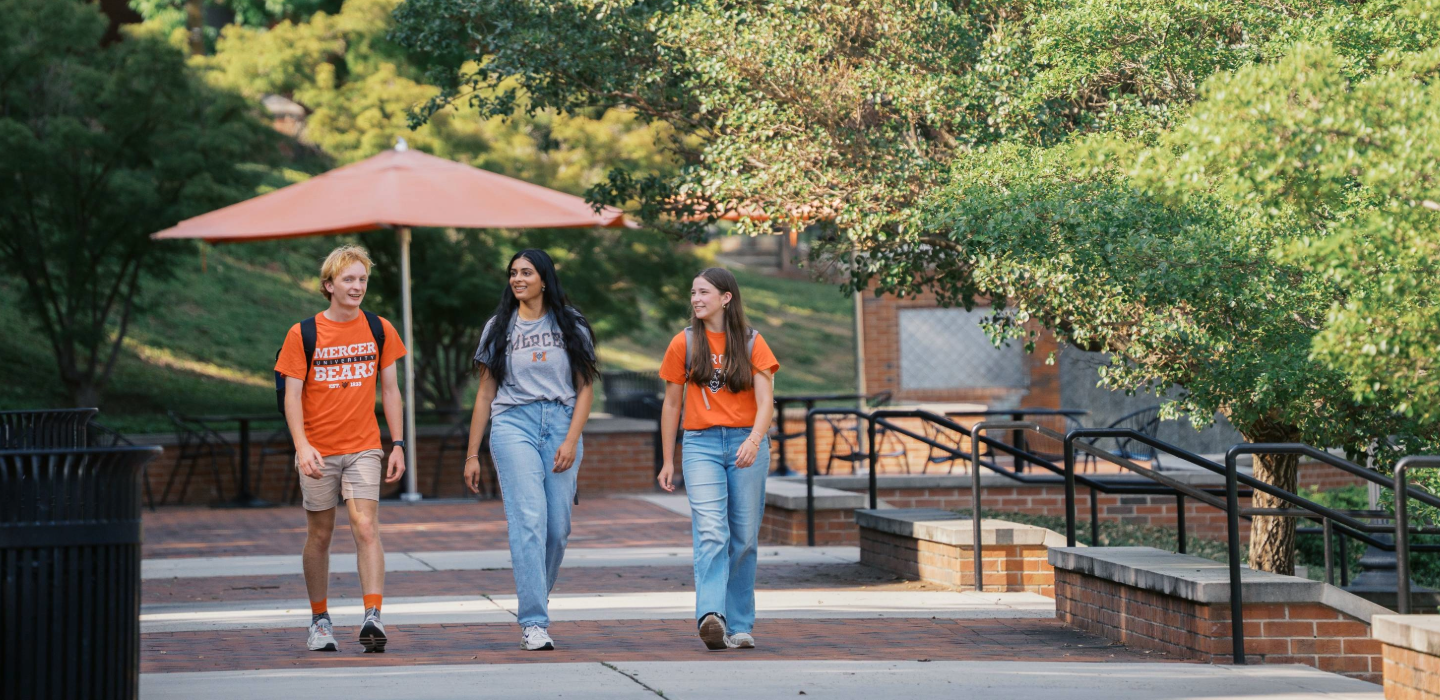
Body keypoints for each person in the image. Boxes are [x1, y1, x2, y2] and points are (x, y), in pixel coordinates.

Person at [275, 245, 407, 653]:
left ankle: (373, 616)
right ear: (329, 285)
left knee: (365, 526)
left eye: (362, 279)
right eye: (348, 279)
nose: (357, 286)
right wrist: (302, 446)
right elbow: (291, 396)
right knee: (320, 534)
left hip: (364, 446)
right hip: (318, 449)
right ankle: (319, 620)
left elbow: (390, 390)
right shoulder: (303, 333)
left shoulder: (380, 328)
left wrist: (398, 443)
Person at [463, 249, 597, 651]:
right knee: (528, 521)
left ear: (544, 278)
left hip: (560, 423)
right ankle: (534, 620)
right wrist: (472, 453)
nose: (517, 279)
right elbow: (486, 393)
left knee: (558, 528)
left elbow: (586, 387)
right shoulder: (498, 326)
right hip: (513, 424)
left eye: (526, 272)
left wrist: (571, 439)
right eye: (513, 273)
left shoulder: (571, 324)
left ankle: (536, 593)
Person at [657, 267, 779, 651]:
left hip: (747, 442)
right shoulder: (684, 343)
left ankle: (739, 624)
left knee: (743, 537)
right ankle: (712, 615)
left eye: (704, 292)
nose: (695, 299)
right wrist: (667, 460)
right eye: (692, 292)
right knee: (712, 531)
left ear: (726, 297)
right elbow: (672, 404)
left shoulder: (752, 341)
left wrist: (755, 441)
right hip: (701, 445)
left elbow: (766, 402)